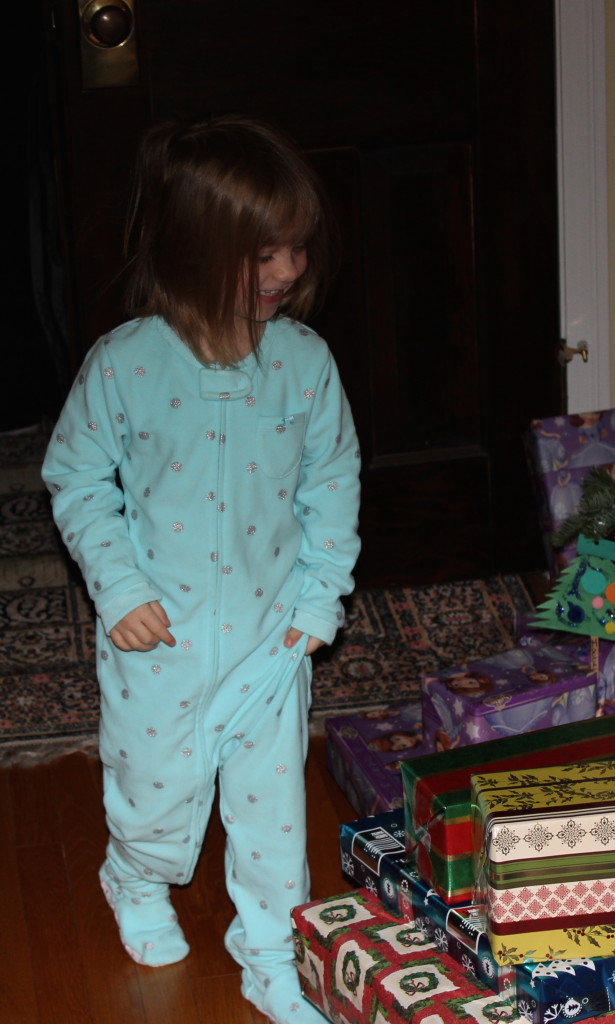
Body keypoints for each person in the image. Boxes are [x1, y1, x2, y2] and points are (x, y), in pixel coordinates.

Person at [41, 115, 361, 1024]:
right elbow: (76, 477)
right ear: (194, 252)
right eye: (264, 254)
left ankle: (269, 951)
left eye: (297, 247)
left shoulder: (304, 365)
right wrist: (119, 586)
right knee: (154, 791)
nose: (289, 269)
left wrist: (319, 597)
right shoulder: (125, 365)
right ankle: (134, 876)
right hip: (160, 642)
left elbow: (332, 482)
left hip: (270, 638)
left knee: (273, 815)